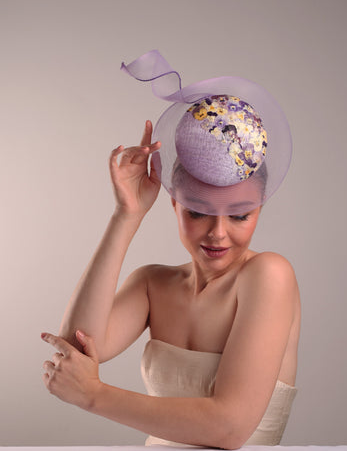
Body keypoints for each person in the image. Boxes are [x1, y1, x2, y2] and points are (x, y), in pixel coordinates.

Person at [42, 51, 301, 449]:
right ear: (175, 203)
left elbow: (229, 428)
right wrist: (126, 214)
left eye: (239, 216)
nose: (218, 233)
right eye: (198, 212)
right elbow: (75, 350)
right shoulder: (153, 283)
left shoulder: (268, 275)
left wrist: (94, 395)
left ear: (260, 209)